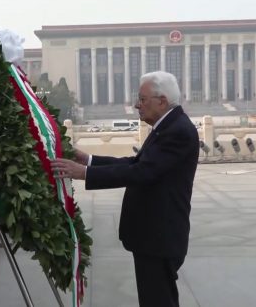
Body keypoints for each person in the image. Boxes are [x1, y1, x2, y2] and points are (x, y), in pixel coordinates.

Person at [51, 71, 199, 307]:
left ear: (162, 101)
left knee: (158, 300)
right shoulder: (167, 126)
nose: (136, 105)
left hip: (160, 235)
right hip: (153, 235)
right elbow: (136, 163)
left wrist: (85, 174)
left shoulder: (177, 131)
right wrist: (89, 161)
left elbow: (142, 172)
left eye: (142, 99)